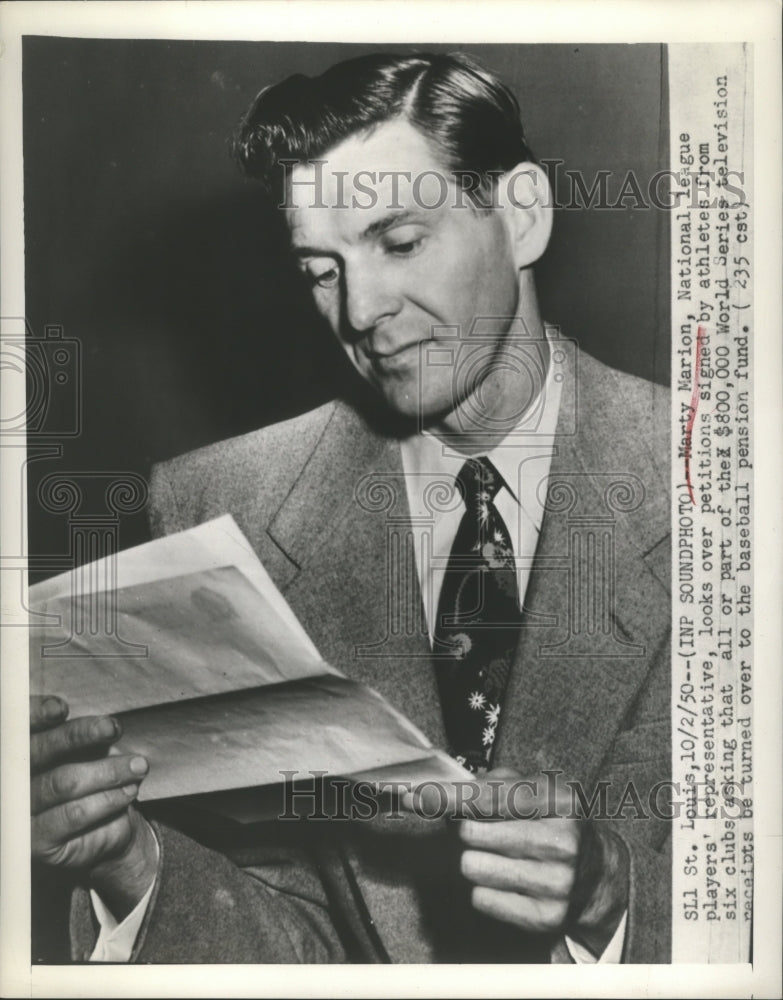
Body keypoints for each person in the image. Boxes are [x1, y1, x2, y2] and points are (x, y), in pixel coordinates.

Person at [30, 52, 671, 964]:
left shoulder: (731, 493)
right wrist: (133, 863)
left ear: (521, 215)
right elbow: (284, 936)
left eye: (399, 241)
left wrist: (613, 894)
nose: (361, 310)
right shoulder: (216, 510)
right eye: (319, 268)